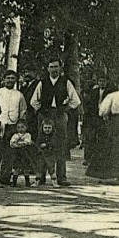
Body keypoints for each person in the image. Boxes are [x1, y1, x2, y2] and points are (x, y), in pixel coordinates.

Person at [30, 57, 82, 186]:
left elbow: (76, 100)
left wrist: (65, 110)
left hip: (60, 117)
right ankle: (40, 177)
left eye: (56, 67)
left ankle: (61, 178)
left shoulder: (66, 82)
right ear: (47, 69)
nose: (54, 69)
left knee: (61, 145)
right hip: (45, 116)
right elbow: (33, 101)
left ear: (60, 68)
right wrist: (42, 111)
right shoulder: (42, 82)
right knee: (42, 145)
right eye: (51, 67)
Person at [0, 70, 27, 186]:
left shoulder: (19, 95)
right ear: (4, 79)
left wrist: (20, 127)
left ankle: (5, 178)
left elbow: (23, 111)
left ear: (16, 80)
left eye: (12, 78)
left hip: (12, 127)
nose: (10, 80)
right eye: (8, 78)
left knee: (9, 153)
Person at [86, 88, 119, 181]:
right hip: (115, 124)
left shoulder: (113, 95)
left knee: (113, 147)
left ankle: (113, 173)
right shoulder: (113, 95)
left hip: (115, 123)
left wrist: (106, 116)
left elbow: (102, 111)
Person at [82, 77, 110, 166]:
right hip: (94, 117)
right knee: (90, 138)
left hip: (104, 118)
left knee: (103, 138)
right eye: (100, 81)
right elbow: (89, 105)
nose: (102, 83)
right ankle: (88, 158)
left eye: (104, 81)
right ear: (98, 82)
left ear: (107, 82)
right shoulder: (93, 92)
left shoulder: (110, 92)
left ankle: (102, 159)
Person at [9, 120, 36, 187]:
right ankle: (14, 182)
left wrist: (20, 143)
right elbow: (12, 143)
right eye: (18, 127)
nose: (20, 129)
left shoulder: (28, 135)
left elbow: (28, 142)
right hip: (17, 152)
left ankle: (27, 182)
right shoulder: (15, 135)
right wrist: (16, 145)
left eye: (22, 127)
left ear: (26, 127)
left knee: (26, 167)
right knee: (16, 167)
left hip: (25, 152)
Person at [35, 119, 59, 187]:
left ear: (52, 128)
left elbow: (54, 143)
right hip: (42, 154)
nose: (47, 129)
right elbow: (37, 143)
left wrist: (47, 145)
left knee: (51, 168)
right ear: (42, 128)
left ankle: (54, 182)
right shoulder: (40, 136)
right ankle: (37, 181)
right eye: (45, 128)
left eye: (49, 128)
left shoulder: (53, 136)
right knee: (39, 168)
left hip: (50, 154)